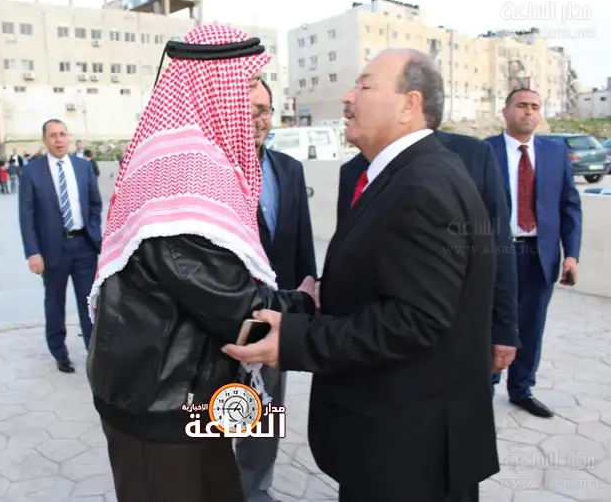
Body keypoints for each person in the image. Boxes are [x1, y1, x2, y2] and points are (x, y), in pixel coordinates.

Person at [224, 49, 499, 502]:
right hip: (396, 439)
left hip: (410, 454)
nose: (348, 97)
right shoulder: (404, 175)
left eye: (365, 85)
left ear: (409, 105)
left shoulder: (422, 186)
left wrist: (296, 338)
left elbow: (415, 320)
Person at [85, 25, 316, 502]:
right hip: (160, 404)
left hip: (185, 393)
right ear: (213, 88)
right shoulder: (183, 174)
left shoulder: (182, 159)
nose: (257, 100)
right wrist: (305, 305)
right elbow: (233, 306)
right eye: (247, 82)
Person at [339, 130, 520, 380]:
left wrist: (504, 329)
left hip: (462, 332)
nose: (348, 108)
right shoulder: (354, 170)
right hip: (384, 337)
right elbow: (350, 256)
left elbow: (496, 244)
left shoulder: (473, 155)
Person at [235, 77, 317, 502]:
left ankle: (255, 487)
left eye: (263, 110)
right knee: (214, 411)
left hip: (275, 317)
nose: (257, 119)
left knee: (265, 409)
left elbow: (302, 242)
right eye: (246, 109)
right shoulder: (208, 172)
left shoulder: (289, 169)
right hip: (219, 315)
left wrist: (306, 308)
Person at [484, 88, 582, 418]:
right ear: (505, 111)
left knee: (531, 325)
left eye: (535, 106)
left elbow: (570, 206)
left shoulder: (555, 152)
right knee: (491, 322)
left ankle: (521, 389)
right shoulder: (484, 151)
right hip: (496, 253)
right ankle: (485, 386)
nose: (528, 111)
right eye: (522, 105)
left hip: (540, 255)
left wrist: (572, 255)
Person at [19, 119, 103, 373]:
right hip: (52, 249)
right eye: (53, 135)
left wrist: (93, 232)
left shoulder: (83, 167)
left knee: (89, 302)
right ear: (45, 140)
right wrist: (33, 252)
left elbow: (95, 204)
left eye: (62, 134)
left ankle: (95, 353)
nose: (58, 140)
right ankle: (59, 351)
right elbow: (26, 216)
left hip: (83, 246)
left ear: (69, 137)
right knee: (55, 301)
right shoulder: (32, 172)